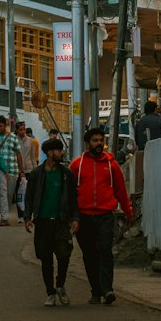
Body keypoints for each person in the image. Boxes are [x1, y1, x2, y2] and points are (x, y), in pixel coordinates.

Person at [68, 126, 133, 305]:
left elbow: (120, 190)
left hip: (105, 215)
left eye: (100, 140)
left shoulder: (112, 165)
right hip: (84, 217)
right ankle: (95, 291)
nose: (99, 144)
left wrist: (128, 212)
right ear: (87, 143)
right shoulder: (77, 165)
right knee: (89, 255)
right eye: (95, 141)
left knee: (105, 251)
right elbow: (69, 193)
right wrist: (71, 217)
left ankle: (107, 290)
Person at [24, 138, 74, 307]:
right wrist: (27, 217)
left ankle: (60, 285)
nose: (61, 153)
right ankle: (50, 292)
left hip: (61, 222)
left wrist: (75, 219)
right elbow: (29, 196)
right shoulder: (37, 174)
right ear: (50, 153)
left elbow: (73, 198)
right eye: (58, 150)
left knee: (64, 255)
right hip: (43, 222)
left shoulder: (66, 174)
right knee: (46, 259)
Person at [0, 115, 23, 225]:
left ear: (5, 125)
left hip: (13, 170)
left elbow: (18, 154)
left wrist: (22, 171)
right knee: (2, 193)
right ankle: (4, 218)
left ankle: (5, 214)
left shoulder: (13, 137)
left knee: (9, 194)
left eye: (0, 126)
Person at [14, 121, 39, 220]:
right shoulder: (13, 140)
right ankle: (20, 215)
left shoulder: (30, 140)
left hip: (29, 169)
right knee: (19, 193)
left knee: (29, 192)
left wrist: (34, 169)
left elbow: (33, 156)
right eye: (20, 130)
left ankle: (29, 213)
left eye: (24, 129)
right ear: (16, 130)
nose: (23, 131)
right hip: (17, 170)